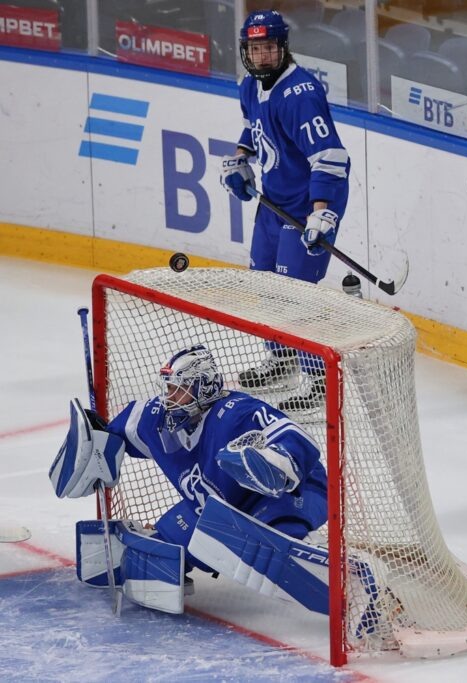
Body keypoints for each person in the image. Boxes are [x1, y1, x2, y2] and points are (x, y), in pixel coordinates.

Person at [50, 345, 330, 612]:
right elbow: (116, 434)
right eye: (169, 388)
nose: (170, 397)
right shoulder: (157, 419)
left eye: (179, 389)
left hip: (293, 492)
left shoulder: (236, 412)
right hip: (218, 513)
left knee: (276, 541)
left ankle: (315, 553)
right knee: (148, 560)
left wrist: (276, 463)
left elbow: (297, 437)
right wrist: (95, 441)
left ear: (202, 387)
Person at [219, 9, 352, 411]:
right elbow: (254, 127)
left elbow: (329, 157)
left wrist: (322, 212)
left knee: (297, 296)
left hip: (307, 205)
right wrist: (241, 158)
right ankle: (282, 360)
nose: (262, 57)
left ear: (283, 48)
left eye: (269, 48)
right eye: (255, 49)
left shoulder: (301, 95)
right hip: (274, 202)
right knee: (265, 285)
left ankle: (320, 380)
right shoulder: (250, 85)